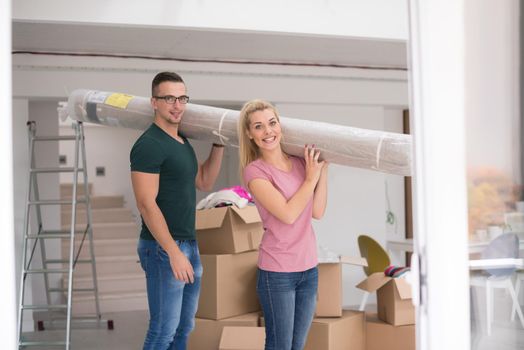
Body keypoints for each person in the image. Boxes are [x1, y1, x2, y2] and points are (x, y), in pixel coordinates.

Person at [130, 71, 224, 350]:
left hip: (189, 244)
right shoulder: (149, 144)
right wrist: (173, 252)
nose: (177, 105)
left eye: (182, 98)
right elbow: (146, 205)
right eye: (169, 98)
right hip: (163, 248)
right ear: (154, 102)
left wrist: (218, 144)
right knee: (162, 331)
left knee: (184, 328)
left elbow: (204, 181)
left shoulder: (182, 141)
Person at [237, 99, 328, 350]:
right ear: (250, 134)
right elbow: (288, 214)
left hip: (309, 268)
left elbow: (317, 211)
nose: (268, 131)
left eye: (272, 123)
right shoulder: (255, 172)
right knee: (279, 346)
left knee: (296, 346)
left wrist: (323, 171)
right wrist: (311, 179)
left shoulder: (301, 164)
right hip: (278, 272)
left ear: (280, 125)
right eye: (258, 126)